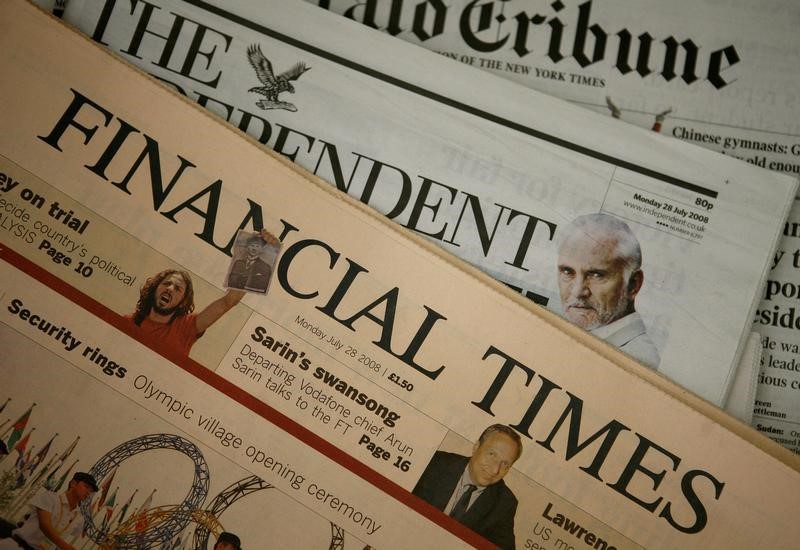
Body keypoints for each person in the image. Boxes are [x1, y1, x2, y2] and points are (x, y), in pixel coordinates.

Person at [556, 213, 660, 368]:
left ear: (633, 285)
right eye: (567, 272)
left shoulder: (638, 361)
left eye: (596, 275)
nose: (578, 292)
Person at [412, 425, 521, 550]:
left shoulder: (505, 503)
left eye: (505, 464)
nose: (495, 470)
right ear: (476, 447)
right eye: (491, 454)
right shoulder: (435, 463)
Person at [0, 472, 98, 550]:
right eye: (86, 486)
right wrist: (67, 547)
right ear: (73, 483)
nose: (88, 492)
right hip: (17, 546)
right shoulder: (50, 498)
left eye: (91, 491)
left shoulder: (79, 518)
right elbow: (44, 525)